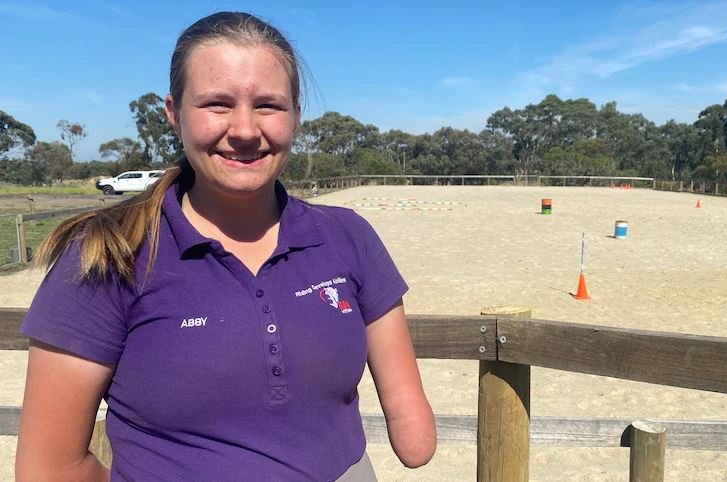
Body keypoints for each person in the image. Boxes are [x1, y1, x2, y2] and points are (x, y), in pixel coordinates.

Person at [16, 11, 436, 481]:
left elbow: (413, 431)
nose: (243, 129)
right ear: (174, 115)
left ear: (296, 116)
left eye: (268, 105)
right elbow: (50, 467)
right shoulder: (107, 255)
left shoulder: (348, 237)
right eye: (217, 103)